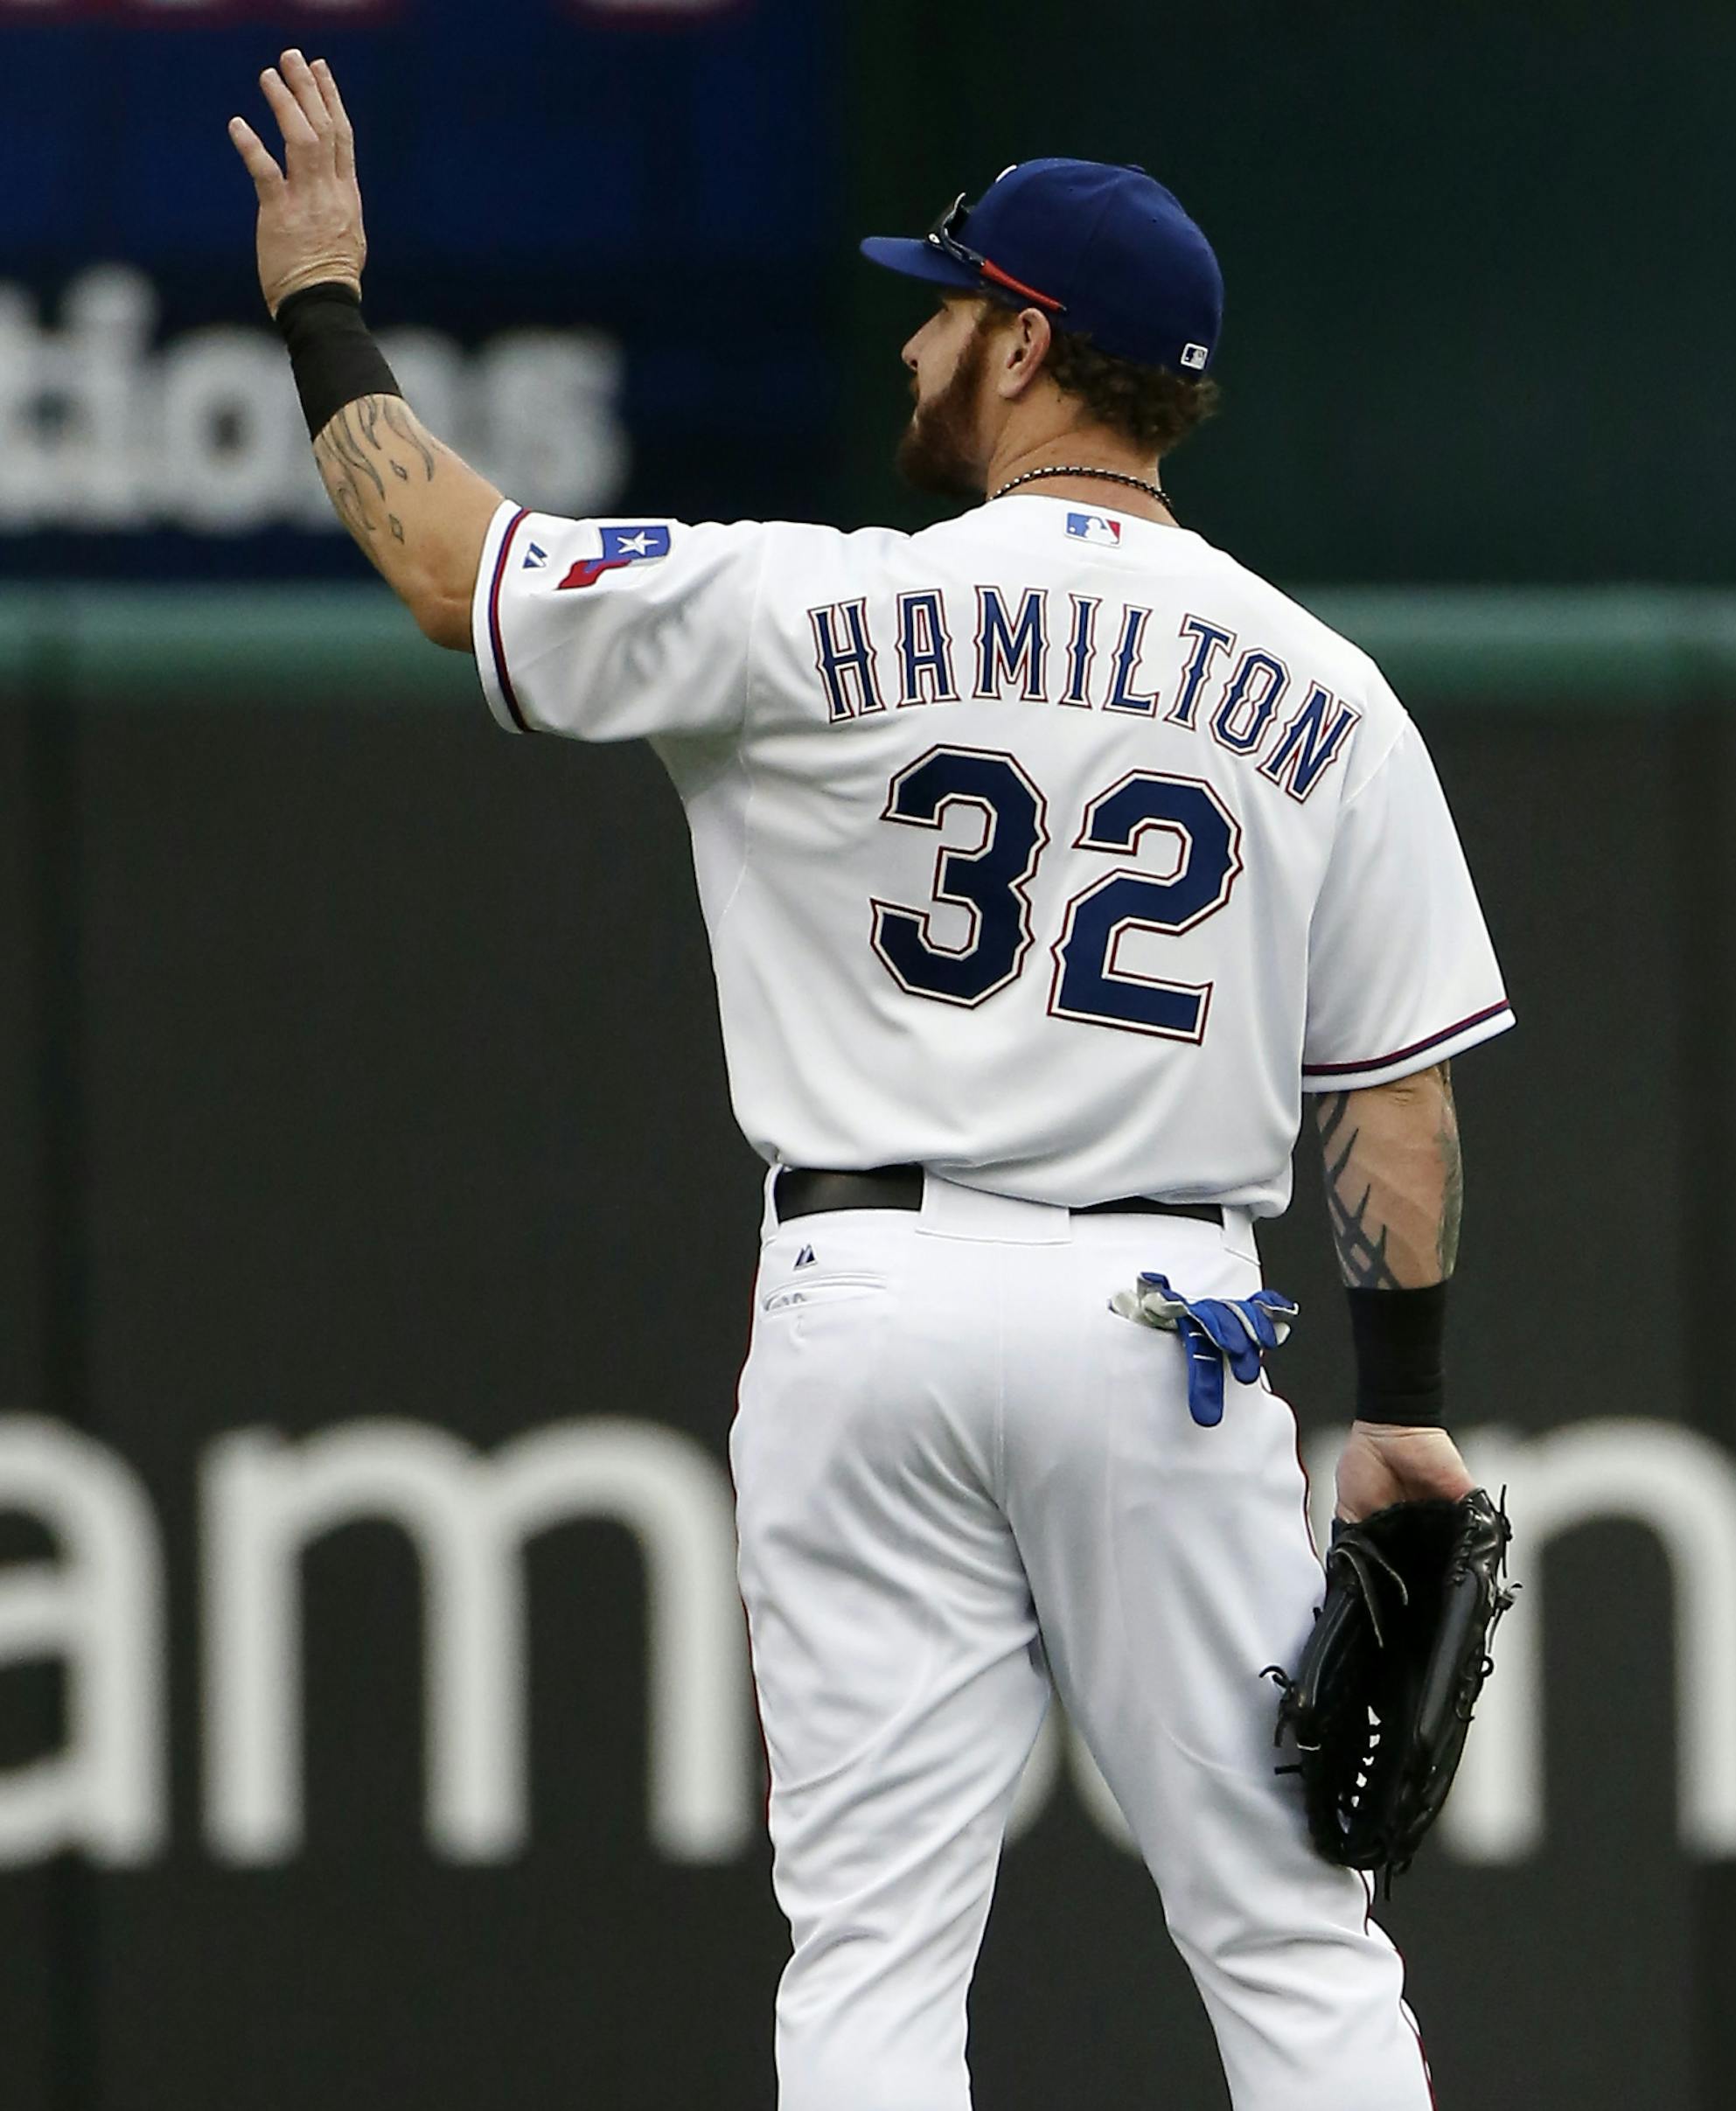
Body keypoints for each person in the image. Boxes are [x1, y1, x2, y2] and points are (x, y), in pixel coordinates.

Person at [232, 50, 1513, 2110]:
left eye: (942, 302)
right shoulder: (1324, 693)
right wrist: (1409, 1412)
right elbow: (1398, 1107)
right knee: (1287, 1935)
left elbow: (451, 563)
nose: (914, 336)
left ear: (1024, 342)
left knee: (872, 1944)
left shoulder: (813, 598)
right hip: (1159, 1317)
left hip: (863, 1299)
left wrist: (320, 300)